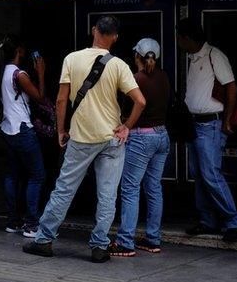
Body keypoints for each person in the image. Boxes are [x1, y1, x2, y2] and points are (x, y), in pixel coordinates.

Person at [23, 16, 146, 264]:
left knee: (64, 189)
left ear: (93, 31)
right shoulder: (119, 65)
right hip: (111, 138)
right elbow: (140, 101)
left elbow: (60, 100)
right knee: (108, 195)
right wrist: (126, 127)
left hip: (81, 137)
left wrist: (60, 129)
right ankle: (100, 247)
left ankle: (44, 240)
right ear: (115, 37)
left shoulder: (72, 59)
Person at [176, 18, 237, 243]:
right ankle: (207, 220)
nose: (177, 42)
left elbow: (232, 87)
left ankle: (234, 221)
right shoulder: (192, 58)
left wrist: (226, 121)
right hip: (194, 124)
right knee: (199, 174)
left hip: (211, 124)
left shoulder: (214, 55)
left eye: (179, 37)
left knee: (210, 174)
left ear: (187, 38)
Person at [109, 38, 172, 257]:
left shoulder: (136, 80)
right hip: (162, 136)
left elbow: (129, 109)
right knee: (153, 187)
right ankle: (153, 239)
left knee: (130, 188)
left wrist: (125, 124)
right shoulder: (164, 76)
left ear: (137, 56)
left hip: (141, 138)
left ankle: (126, 241)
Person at [0, 35, 46, 238]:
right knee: (37, 175)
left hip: (8, 129)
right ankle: (32, 225)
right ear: (18, 51)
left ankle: (13, 221)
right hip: (23, 130)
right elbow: (40, 97)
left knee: (12, 175)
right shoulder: (20, 75)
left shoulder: (6, 72)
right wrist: (41, 73)